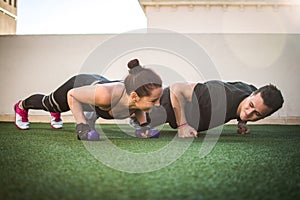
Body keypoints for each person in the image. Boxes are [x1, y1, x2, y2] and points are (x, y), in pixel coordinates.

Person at [13, 59, 163, 141]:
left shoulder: (135, 98)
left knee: (92, 109)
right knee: (50, 104)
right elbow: (72, 94)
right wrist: (82, 126)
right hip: (79, 86)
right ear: (135, 97)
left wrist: (144, 127)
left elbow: (138, 107)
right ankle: (21, 106)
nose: (158, 104)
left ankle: (58, 113)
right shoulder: (106, 96)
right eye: (154, 100)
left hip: (97, 92)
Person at [141, 81, 284, 138]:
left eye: (256, 114)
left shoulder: (252, 92)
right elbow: (176, 88)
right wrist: (183, 125)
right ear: (252, 96)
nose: (248, 113)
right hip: (164, 104)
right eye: (250, 106)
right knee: (126, 109)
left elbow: (250, 107)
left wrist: (242, 122)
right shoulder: (216, 97)